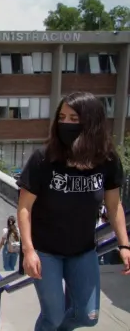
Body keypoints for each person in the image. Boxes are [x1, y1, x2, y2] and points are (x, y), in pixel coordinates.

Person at [17, 92, 130, 331]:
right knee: (53, 316)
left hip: (83, 251)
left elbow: (114, 205)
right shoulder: (43, 159)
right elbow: (24, 208)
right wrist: (28, 251)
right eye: (62, 117)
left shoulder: (107, 160)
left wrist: (125, 244)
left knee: (88, 316)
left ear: (91, 123)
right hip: (45, 252)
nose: (65, 124)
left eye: (73, 118)